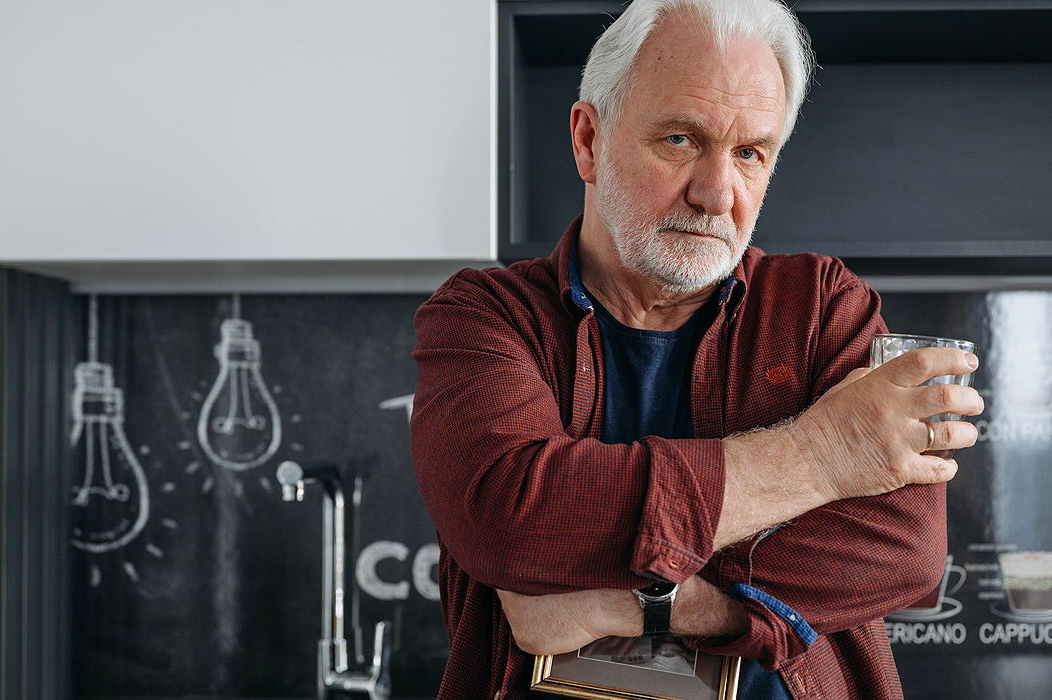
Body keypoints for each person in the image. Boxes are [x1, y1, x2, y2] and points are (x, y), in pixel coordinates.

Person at [409, 1, 983, 698]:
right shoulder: (483, 316)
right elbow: (512, 522)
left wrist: (641, 603)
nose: (717, 194)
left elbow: (902, 550)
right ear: (589, 140)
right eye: (680, 139)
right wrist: (824, 455)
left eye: (750, 153)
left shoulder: (823, 307)